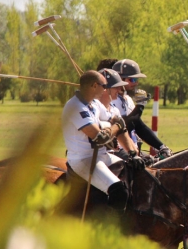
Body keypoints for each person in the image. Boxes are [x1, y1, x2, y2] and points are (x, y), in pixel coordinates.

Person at [62, 70, 145, 210]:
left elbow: (119, 124)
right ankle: (108, 228)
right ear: (95, 86)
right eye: (104, 86)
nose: (106, 89)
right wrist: (116, 126)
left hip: (102, 156)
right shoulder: (75, 106)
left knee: (133, 171)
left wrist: (132, 153)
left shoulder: (94, 104)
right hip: (83, 159)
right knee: (119, 191)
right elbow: (100, 137)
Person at [97, 59, 173, 158]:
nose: (136, 83)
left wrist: (161, 147)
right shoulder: (110, 100)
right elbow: (125, 125)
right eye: (132, 80)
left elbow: (139, 126)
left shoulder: (128, 99)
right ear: (120, 79)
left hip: (133, 149)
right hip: (117, 152)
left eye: (137, 80)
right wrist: (140, 106)